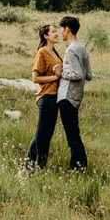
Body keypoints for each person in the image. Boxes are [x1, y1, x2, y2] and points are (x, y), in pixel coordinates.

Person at [57, 15, 93, 172]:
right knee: (74, 133)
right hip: (77, 96)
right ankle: (78, 165)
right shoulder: (82, 49)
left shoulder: (71, 50)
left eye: (61, 29)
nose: (60, 32)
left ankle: (78, 167)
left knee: (72, 136)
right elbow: (89, 75)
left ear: (67, 29)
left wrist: (61, 73)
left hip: (67, 96)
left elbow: (77, 74)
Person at [26, 23, 62, 169]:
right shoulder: (42, 52)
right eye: (53, 32)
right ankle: (27, 166)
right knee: (40, 134)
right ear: (46, 36)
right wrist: (54, 77)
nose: (56, 34)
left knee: (48, 134)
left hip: (55, 98)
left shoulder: (55, 53)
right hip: (45, 97)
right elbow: (35, 78)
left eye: (56, 31)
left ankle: (41, 167)